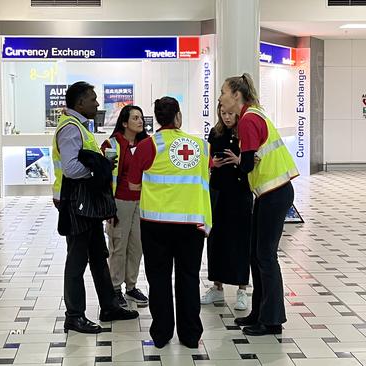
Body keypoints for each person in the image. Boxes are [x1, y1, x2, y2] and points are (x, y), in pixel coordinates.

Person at [52, 81, 139, 334]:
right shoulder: (70, 129)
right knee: (77, 259)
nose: (97, 103)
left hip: (85, 202)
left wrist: (100, 164)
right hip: (75, 202)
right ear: (80, 103)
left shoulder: (79, 126)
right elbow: (71, 168)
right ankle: (74, 315)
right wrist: (99, 167)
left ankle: (109, 306)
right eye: (93, 99)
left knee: (98, 255)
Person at [218, 73, 299, 336]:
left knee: (265, 256)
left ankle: (272, 320)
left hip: (274, 192)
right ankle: (259, 313)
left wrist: (237, 161)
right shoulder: (253, 114)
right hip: (270, 193)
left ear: (236, 95)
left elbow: (249, 163)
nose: (220, 98)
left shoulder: (249, 120)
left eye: (223, 92)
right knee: (256, 254)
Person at [128, 97, 212, 349]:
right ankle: (190, 336)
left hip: (156, 224)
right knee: (189, 278)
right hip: (191, 223)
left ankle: (162, 334)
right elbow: (206, 174)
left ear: (156, 118)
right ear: (178, 117)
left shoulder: (146, 146)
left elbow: (133, 185)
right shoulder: (200, 146)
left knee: (159, 279)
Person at [200, 104, 251, 310]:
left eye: (230, 113)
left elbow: (253, 160)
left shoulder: (245, 132)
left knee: (240, 239)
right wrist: (213, 164)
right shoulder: (215, 132)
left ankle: (242, 289)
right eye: (223, 113)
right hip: (218, 190)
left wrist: (238, 160)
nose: (227, 117)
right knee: (216, 238)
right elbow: (208, 159)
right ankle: (217, 287)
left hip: (240, 191)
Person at [100, 105, 149, 308]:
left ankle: (131, 286)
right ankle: (115, 287)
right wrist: (108, 207)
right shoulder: (111, 144)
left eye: (141, 118)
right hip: (120, 201)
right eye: (135, 118)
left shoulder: (147, 144)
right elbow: (104, 178)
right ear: (124, 122)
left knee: (136, 246)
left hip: (143, 202)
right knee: (118, 246)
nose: (140, 121)